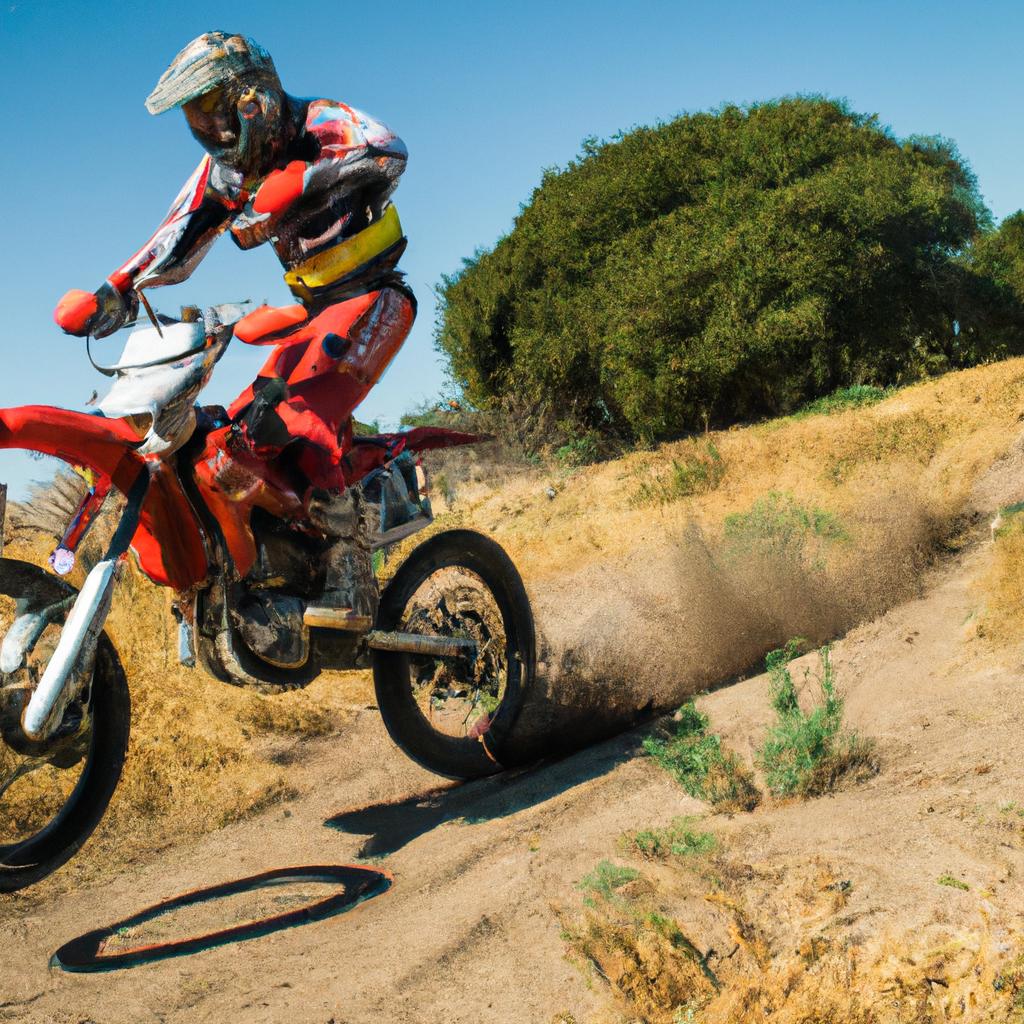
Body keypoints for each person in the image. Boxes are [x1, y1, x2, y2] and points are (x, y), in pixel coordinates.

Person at [53, 31, 415, 621]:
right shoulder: (225, 171)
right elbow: (178, 231)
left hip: (372, 297)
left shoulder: (321, 121)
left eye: (213, 107)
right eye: (196, 116)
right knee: (232, 437)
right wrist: (112, 292)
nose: (211, 128)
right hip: (307, 313)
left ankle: (350, 576)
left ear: (254, 96)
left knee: (299, 418)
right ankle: (268, 571)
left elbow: (389, 150)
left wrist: (303, 180)